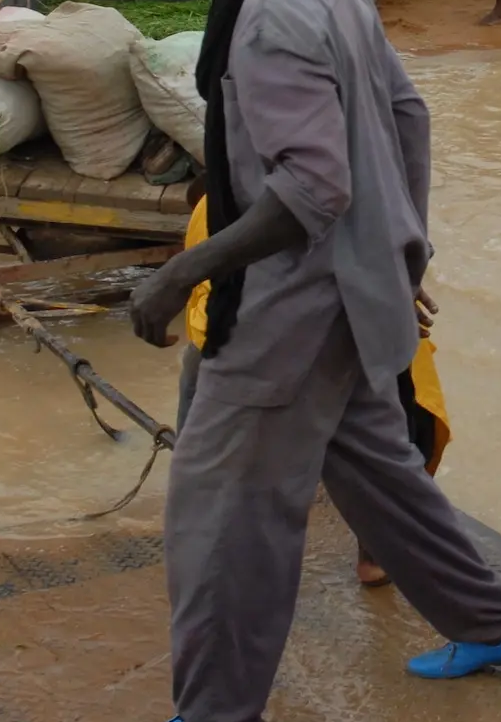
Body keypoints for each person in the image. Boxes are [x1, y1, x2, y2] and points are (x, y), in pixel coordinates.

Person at [116, 0, 501, 722]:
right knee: (372, 467)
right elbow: (406, 115)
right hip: (357, 287)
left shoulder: (267, 13)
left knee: (225, 501)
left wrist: (182, 275)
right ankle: (494, 624)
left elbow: (311, 190)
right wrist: (403, 245)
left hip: (289, 306)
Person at [176, 191, 450, 588]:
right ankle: (375, 555)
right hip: (307, 342)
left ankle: (209, 549)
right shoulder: (350, 193)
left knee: (212, 460)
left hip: (232, 343)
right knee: (390, 444)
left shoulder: (220, 198)